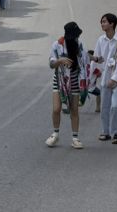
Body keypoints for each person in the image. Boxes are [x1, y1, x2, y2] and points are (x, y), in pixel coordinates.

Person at [46, 21, 90, 149]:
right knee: (56, 109)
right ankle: (55, 134)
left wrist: (96, 59)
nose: (77, 37)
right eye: (75, 35)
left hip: (75, 80)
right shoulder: (57, 45)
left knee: (74, 110)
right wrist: (60, 60)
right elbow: (51, 63)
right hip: (59, 80)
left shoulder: (79, 45)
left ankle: (75, 138)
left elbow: (85, 57)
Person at [93, 12, 117, 144]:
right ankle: (105, 132)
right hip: (105, 78)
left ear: (112, 24)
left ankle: (116, 133)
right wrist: (93, 76)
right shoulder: (100, 40)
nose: (102, 24)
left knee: (115, 106)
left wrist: (114, 78)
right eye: (101, 22)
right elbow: (98, 59)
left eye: (104, 22)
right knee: (105, 107)